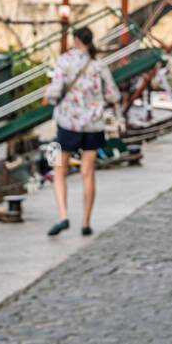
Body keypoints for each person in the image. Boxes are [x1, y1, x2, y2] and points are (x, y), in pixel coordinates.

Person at [45, 25, 121, 237]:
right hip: (93, 124)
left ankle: (63, 216)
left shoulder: (64, 61)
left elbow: (54, 93)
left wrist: (49, 94)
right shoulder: (99, 65)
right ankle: (86, 222)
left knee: (59, 169)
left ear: (75, 39)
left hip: (68, 123)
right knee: (88, 173)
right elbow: (114, 95)